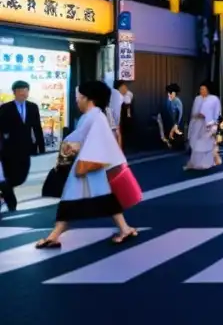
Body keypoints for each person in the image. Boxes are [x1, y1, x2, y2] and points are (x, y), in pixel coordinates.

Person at [35, 80, 138, 248]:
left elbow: (79, 138)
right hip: (92, 165)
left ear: (88, 99)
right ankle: (124, 228)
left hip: (87, 165)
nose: (77, 100)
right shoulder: (96, 116)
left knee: (71, 199)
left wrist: (68, 146)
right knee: (102, 199)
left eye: (79, 97)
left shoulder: (93, 117)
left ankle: (54, 235)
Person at [0, 80, 46, 212]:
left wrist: (40, 147)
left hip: (27, 147)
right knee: (9, 174)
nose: (23, 93)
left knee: (22, 174)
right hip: (9, 149)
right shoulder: (6, 108)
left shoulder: (32, 107)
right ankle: (10, 200)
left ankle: (6, 192)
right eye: (20, 91)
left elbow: (37, 128)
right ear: (14, 93)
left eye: (25, 90)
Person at [185, 80, 222, 171]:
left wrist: (213, 123)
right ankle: (194, 163)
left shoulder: (214, 99)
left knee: (207, 145)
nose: (202, 91)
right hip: (197, 124)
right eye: (201, 89)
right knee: (196, 144)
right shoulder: (197, 99)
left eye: (204, 89)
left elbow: (216, 112)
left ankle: (207, 163)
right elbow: (193, 112)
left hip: (208, 125)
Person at [158, 83, 185, 150]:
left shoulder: (177, 101)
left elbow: (179, 113)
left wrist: (176, 124)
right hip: (169, 121)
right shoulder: (169, 100)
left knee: (175, 136)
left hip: (175, 122)